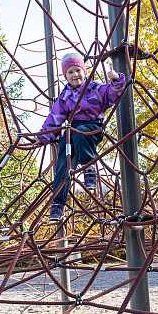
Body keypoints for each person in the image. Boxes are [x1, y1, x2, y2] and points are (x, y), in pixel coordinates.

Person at [37, 52, 126, 220]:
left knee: (79, 135)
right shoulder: (64, 97)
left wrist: (115, 78)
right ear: (65, 76)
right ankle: (58, 204)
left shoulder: (96, 89)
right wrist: (42, 137)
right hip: (71, 131)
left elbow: (114, 93)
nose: (75, 75)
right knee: (62, 163)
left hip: (92, 128)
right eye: (70, 72)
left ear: (84, 71)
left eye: (78, 70)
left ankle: (88, 167)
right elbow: (54, 119)